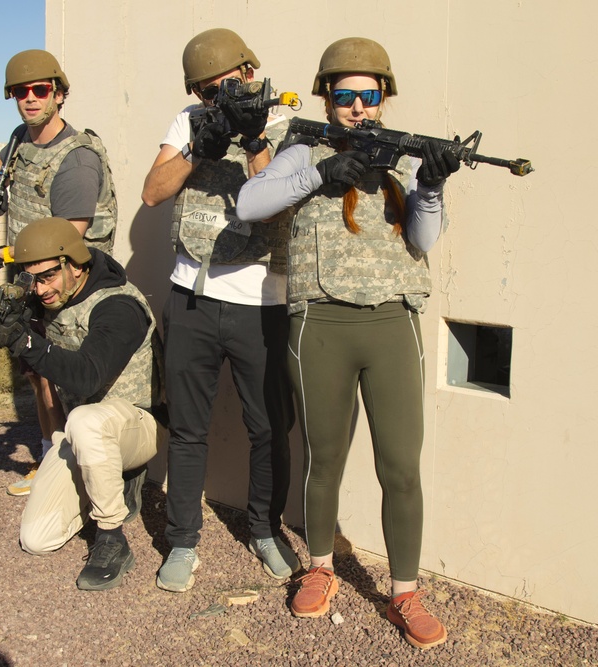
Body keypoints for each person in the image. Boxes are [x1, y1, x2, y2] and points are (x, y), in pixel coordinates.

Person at [236, 37, 460, 649]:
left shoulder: (406, 156)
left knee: (401, 467)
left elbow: (424, 237)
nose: (357, 107)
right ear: (326, 98)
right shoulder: (301, 147)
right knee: (324, 459)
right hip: (320, 324)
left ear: (384, 97)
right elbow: (250, 202)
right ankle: (321, 568)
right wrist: (320, 171)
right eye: (344, 95)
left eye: (369, 94)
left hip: (391, 321)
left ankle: (405, 591)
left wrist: (432, 187)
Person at [140, 28, 299, 592]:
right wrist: (197, 145)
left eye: (227, 86)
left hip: (260, 301)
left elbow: (274, 198)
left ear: (250, 74)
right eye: (208, 92)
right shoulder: (189, 121)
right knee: (187, 429)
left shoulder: (283, 123)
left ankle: (264, 530)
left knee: (268, 428)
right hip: (192, 296)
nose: (219, 99)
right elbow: (154, 191)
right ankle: (182, 542)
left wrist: (252, 135)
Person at [0, 217, 160, 591]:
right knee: (37, 538)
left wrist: (27, 342)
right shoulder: (51, 299)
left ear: (75, 265)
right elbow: (49, 389)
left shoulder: (118, 305)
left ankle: (112, 536)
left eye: (47, 276)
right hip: (81, 434)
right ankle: (104, 483)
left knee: (86, 419)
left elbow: (86, 377)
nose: (39, 289)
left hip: (138, 426)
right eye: (31, 279)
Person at [0, 49, 118, 497]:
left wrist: (3, 258)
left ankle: (73, 471)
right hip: (28, 276)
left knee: (60, 373)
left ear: (59, 94)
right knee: (34, 370)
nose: (29, 99)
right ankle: (49, 456)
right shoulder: (21, 139)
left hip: (64, 281)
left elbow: (70, 238)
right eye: (19, 92)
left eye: (40, 90)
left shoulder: (76, 160)